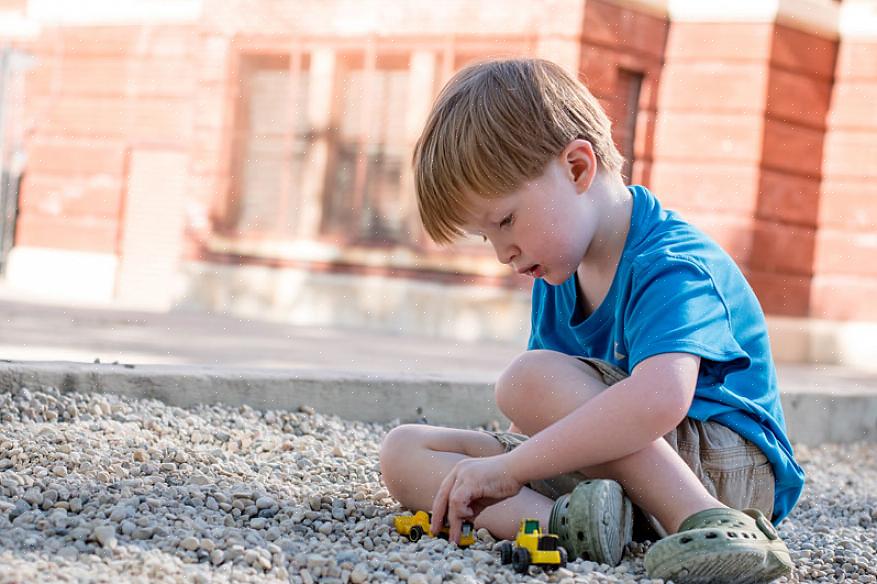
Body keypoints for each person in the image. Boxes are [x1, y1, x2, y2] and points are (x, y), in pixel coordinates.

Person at [379, 58, 802, 583]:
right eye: (487, 236)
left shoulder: (671, 263)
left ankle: (705, 521)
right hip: (619, 466)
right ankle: (568, 526)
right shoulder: (558, 270)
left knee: (525, 380)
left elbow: (659, 400)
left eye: (506, 220)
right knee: (405, 450)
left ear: (578, 168)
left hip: (720, 468)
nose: (502, 253)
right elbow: (544, 415)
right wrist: (501, 468)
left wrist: (511, 468)